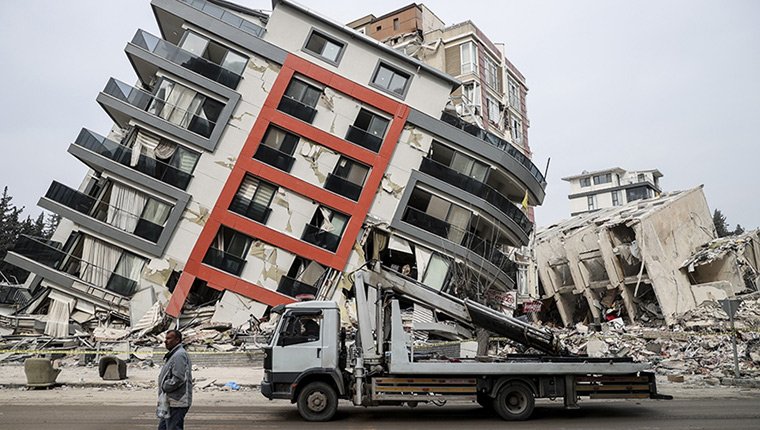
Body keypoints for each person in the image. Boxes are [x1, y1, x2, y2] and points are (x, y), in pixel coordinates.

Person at [158, 329, 193, 430]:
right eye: (165, 338)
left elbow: (178, 378)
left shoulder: (179, 355)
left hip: (177, 401)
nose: (165, 341)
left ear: (177, 340)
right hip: (170, 401)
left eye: (169, 338)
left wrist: (165, 386)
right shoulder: (174, 354)